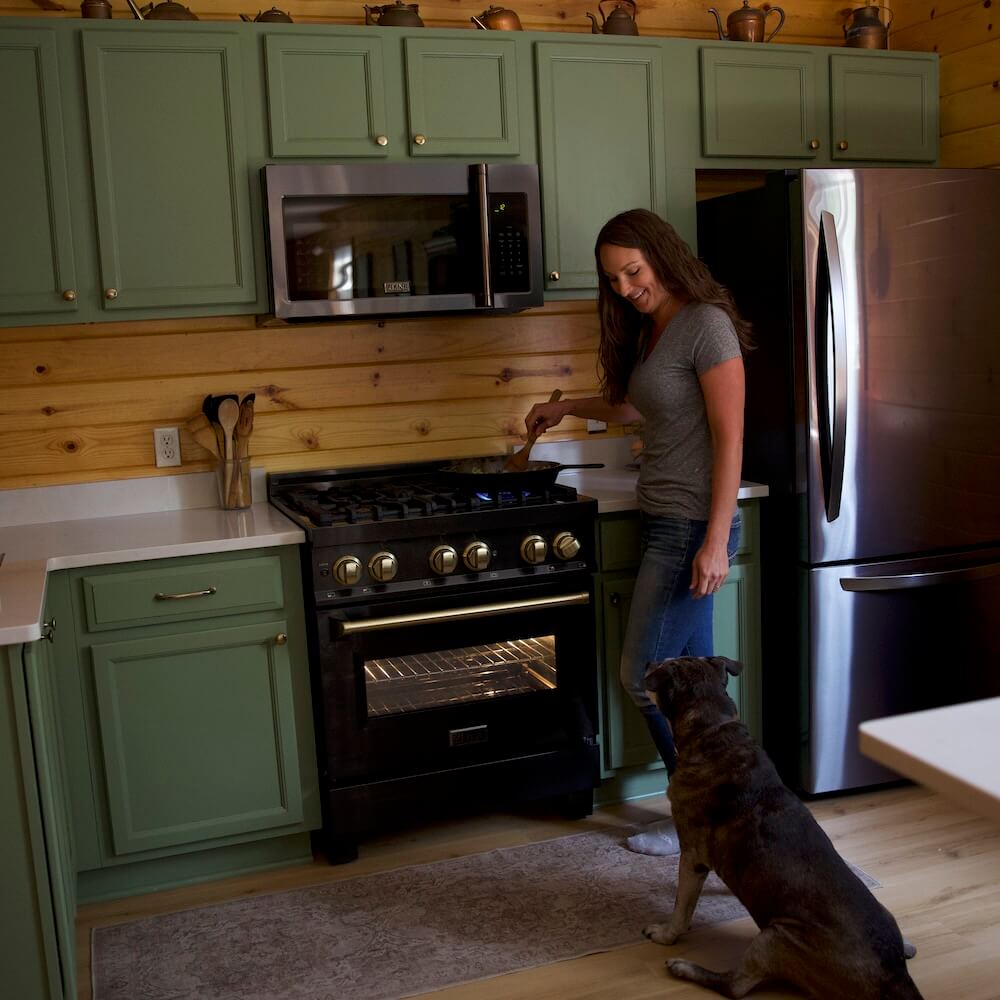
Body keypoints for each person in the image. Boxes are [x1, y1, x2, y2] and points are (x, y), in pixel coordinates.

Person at [522, 209, 751, 855]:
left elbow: (732, 437)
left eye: (633, 271)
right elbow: (634, 406)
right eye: (613, 279)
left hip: (689, 529)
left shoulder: (706, 324)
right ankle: (726, 815)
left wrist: (713, 540)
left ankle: (696, 815)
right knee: (698, 686)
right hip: (665, 521)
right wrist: (567, 406)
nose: (623, 287)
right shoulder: (657, 330)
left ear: (661, 256)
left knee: (643, 675)